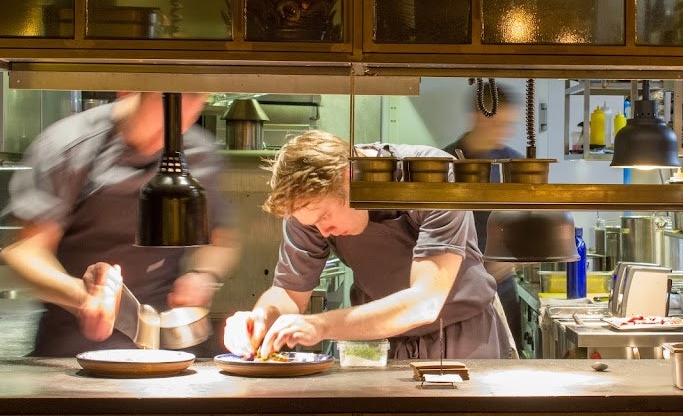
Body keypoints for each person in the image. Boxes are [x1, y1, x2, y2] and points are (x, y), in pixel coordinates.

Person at [222, 130, 516, 361]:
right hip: (379, 343)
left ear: (349, 178)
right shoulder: (309, 210)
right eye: (313, 224)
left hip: (461, 336)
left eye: (325, 216)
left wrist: (321, 325)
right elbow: (289, 292)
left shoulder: (433, 177)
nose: (322, 230)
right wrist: (260, 317)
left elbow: (425, 303)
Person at [1, 92, 238, 356]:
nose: (183, 111)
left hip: (166, 349)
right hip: (72, 350)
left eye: (196, 98)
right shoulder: (69, 144)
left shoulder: (199, 153)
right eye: (168, 98)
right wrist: (84, 298)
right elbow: (26, 251)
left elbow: (220, 239)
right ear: (131, 90)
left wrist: (201, 275)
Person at [443, 81, 525, 352]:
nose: (503, 132)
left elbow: (526, 224)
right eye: (497, 123)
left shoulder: (514, 165)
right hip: (454, 291)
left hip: (501, 288)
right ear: (477, 117)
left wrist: (517, 257)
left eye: (507, 124)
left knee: (506, 365)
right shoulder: (445, 162)